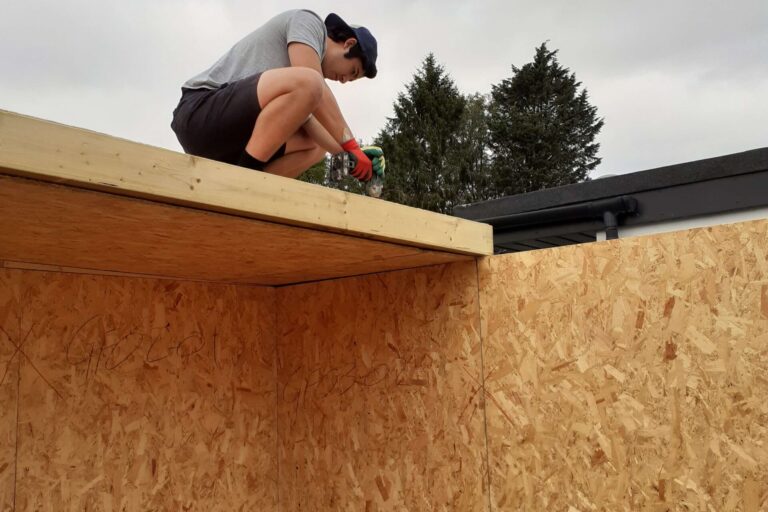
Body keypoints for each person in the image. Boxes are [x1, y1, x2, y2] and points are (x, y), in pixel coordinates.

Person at [170, 9, 384, 182]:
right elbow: (314, 88)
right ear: (349, 44)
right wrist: (352, 146)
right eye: (352, 71)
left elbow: (316, 121)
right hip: (199, 111)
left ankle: (251, 190)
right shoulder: (308, 23)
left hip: (232, 141)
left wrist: (353, 158)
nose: (345, 80)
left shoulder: (299, 91)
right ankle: (245, 178)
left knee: (317, 146)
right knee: (311, 83)